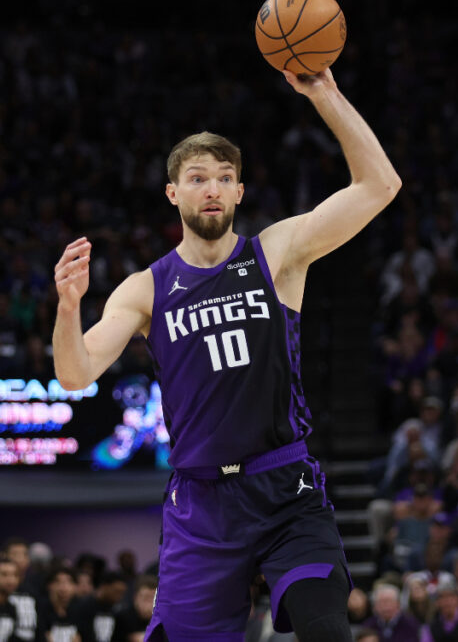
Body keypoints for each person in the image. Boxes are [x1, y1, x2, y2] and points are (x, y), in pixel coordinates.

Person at [52, 68, 401, 642]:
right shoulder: (147, 288)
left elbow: (379, 186)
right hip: (200, 505)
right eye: (197, 177)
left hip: (285, 488)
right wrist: (68, 308)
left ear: (239, 191)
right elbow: (74, 373)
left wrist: (324, 94)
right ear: (174, 193)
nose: (211, 187)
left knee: (326, 629)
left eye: (224, 177)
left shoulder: (277, 254)